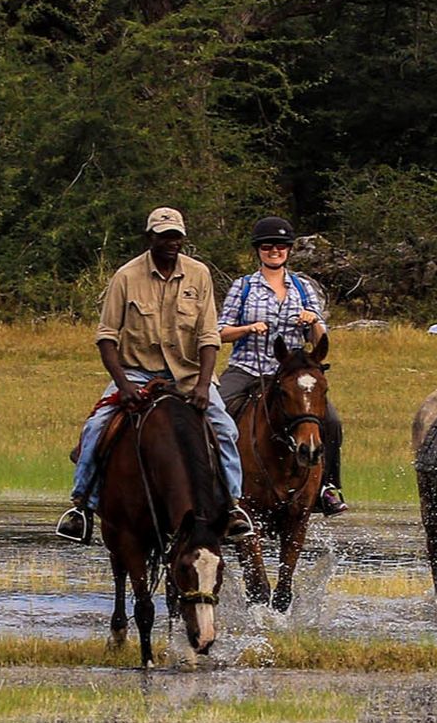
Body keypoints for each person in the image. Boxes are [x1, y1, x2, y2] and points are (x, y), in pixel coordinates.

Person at [56, 207, 254, 544]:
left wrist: (205, 386)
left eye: (176, 236)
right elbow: (106, 337)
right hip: (137, 370)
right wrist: (123, 384)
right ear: (150, 238)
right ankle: (81, 506)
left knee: (225, 429)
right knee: (96, 427)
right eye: (164, 236)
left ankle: (233, 506)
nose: (171, 243)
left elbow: (209, 336)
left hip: (189, 374)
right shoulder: (126, 276)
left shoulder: (199, 274)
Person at [217, 215, 348, 516]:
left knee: (331, 421)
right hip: (247, 368)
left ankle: (327, 486)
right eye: (267, 246)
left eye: (279, 246)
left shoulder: (303, 288)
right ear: (258, 250)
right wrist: (247, 328)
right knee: (214, 414)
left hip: (291, 374)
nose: (273, 250)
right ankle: (214, 486)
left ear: (288, 250)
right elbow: (221, 332)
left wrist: (313, 320)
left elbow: (321, 339)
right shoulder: (244, 286)